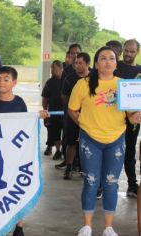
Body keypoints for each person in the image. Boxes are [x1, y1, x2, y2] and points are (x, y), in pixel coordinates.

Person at [68, 46, 141, 236]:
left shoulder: (123, 85)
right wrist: (84, 125)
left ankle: (108, 227)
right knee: (91, 182)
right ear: (96, 63)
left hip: (116, 139)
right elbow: (72, 109)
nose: (107, 62)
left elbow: (131, 114)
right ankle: (87, 226)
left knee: (111, 183)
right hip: (90, 140)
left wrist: (134, 118)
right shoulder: (83, 84)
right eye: (103, 58)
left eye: (111, 58)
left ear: (117, 63)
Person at [0, 66, 48, 236]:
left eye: (6, 79)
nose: (1, 82)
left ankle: (19, 224)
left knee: (15, 189)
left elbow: (25, 125)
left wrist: (38, 117)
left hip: (15, 154)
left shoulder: (19, 102)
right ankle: (0, 223)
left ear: (14, 82)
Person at [114, 39, 141, 198]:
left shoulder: (140, 71)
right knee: (112, 152)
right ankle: (107, 185)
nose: (128, 54)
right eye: (126, 50)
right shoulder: (114, 67)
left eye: (132, 51)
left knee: (130, 153)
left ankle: (132, 185)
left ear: (137, 52)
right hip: (112, 119)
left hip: (133, 120)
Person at [59, 52, 90, 178]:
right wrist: (74, 108)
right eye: (75, 63)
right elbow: (64, 96)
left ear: (88, 64)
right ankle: (69, 167)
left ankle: (85, 168)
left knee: (87, 143)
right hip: (72, 116)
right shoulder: (69, 78)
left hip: (90, 117)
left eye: (80, 63)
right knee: (71, 142)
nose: (77, 66)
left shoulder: (94, 77)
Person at [41, 60, 64, 160]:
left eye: (53, 68)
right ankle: (58, 151)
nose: (51, 70)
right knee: (54, 132)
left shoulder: (67, 80)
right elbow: (45, 98)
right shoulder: (49, 82)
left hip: (66, 113)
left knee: (66, 133)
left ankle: (65, 152)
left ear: (60, 68)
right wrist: (45, 110)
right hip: (53, 112)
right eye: (51, 68)